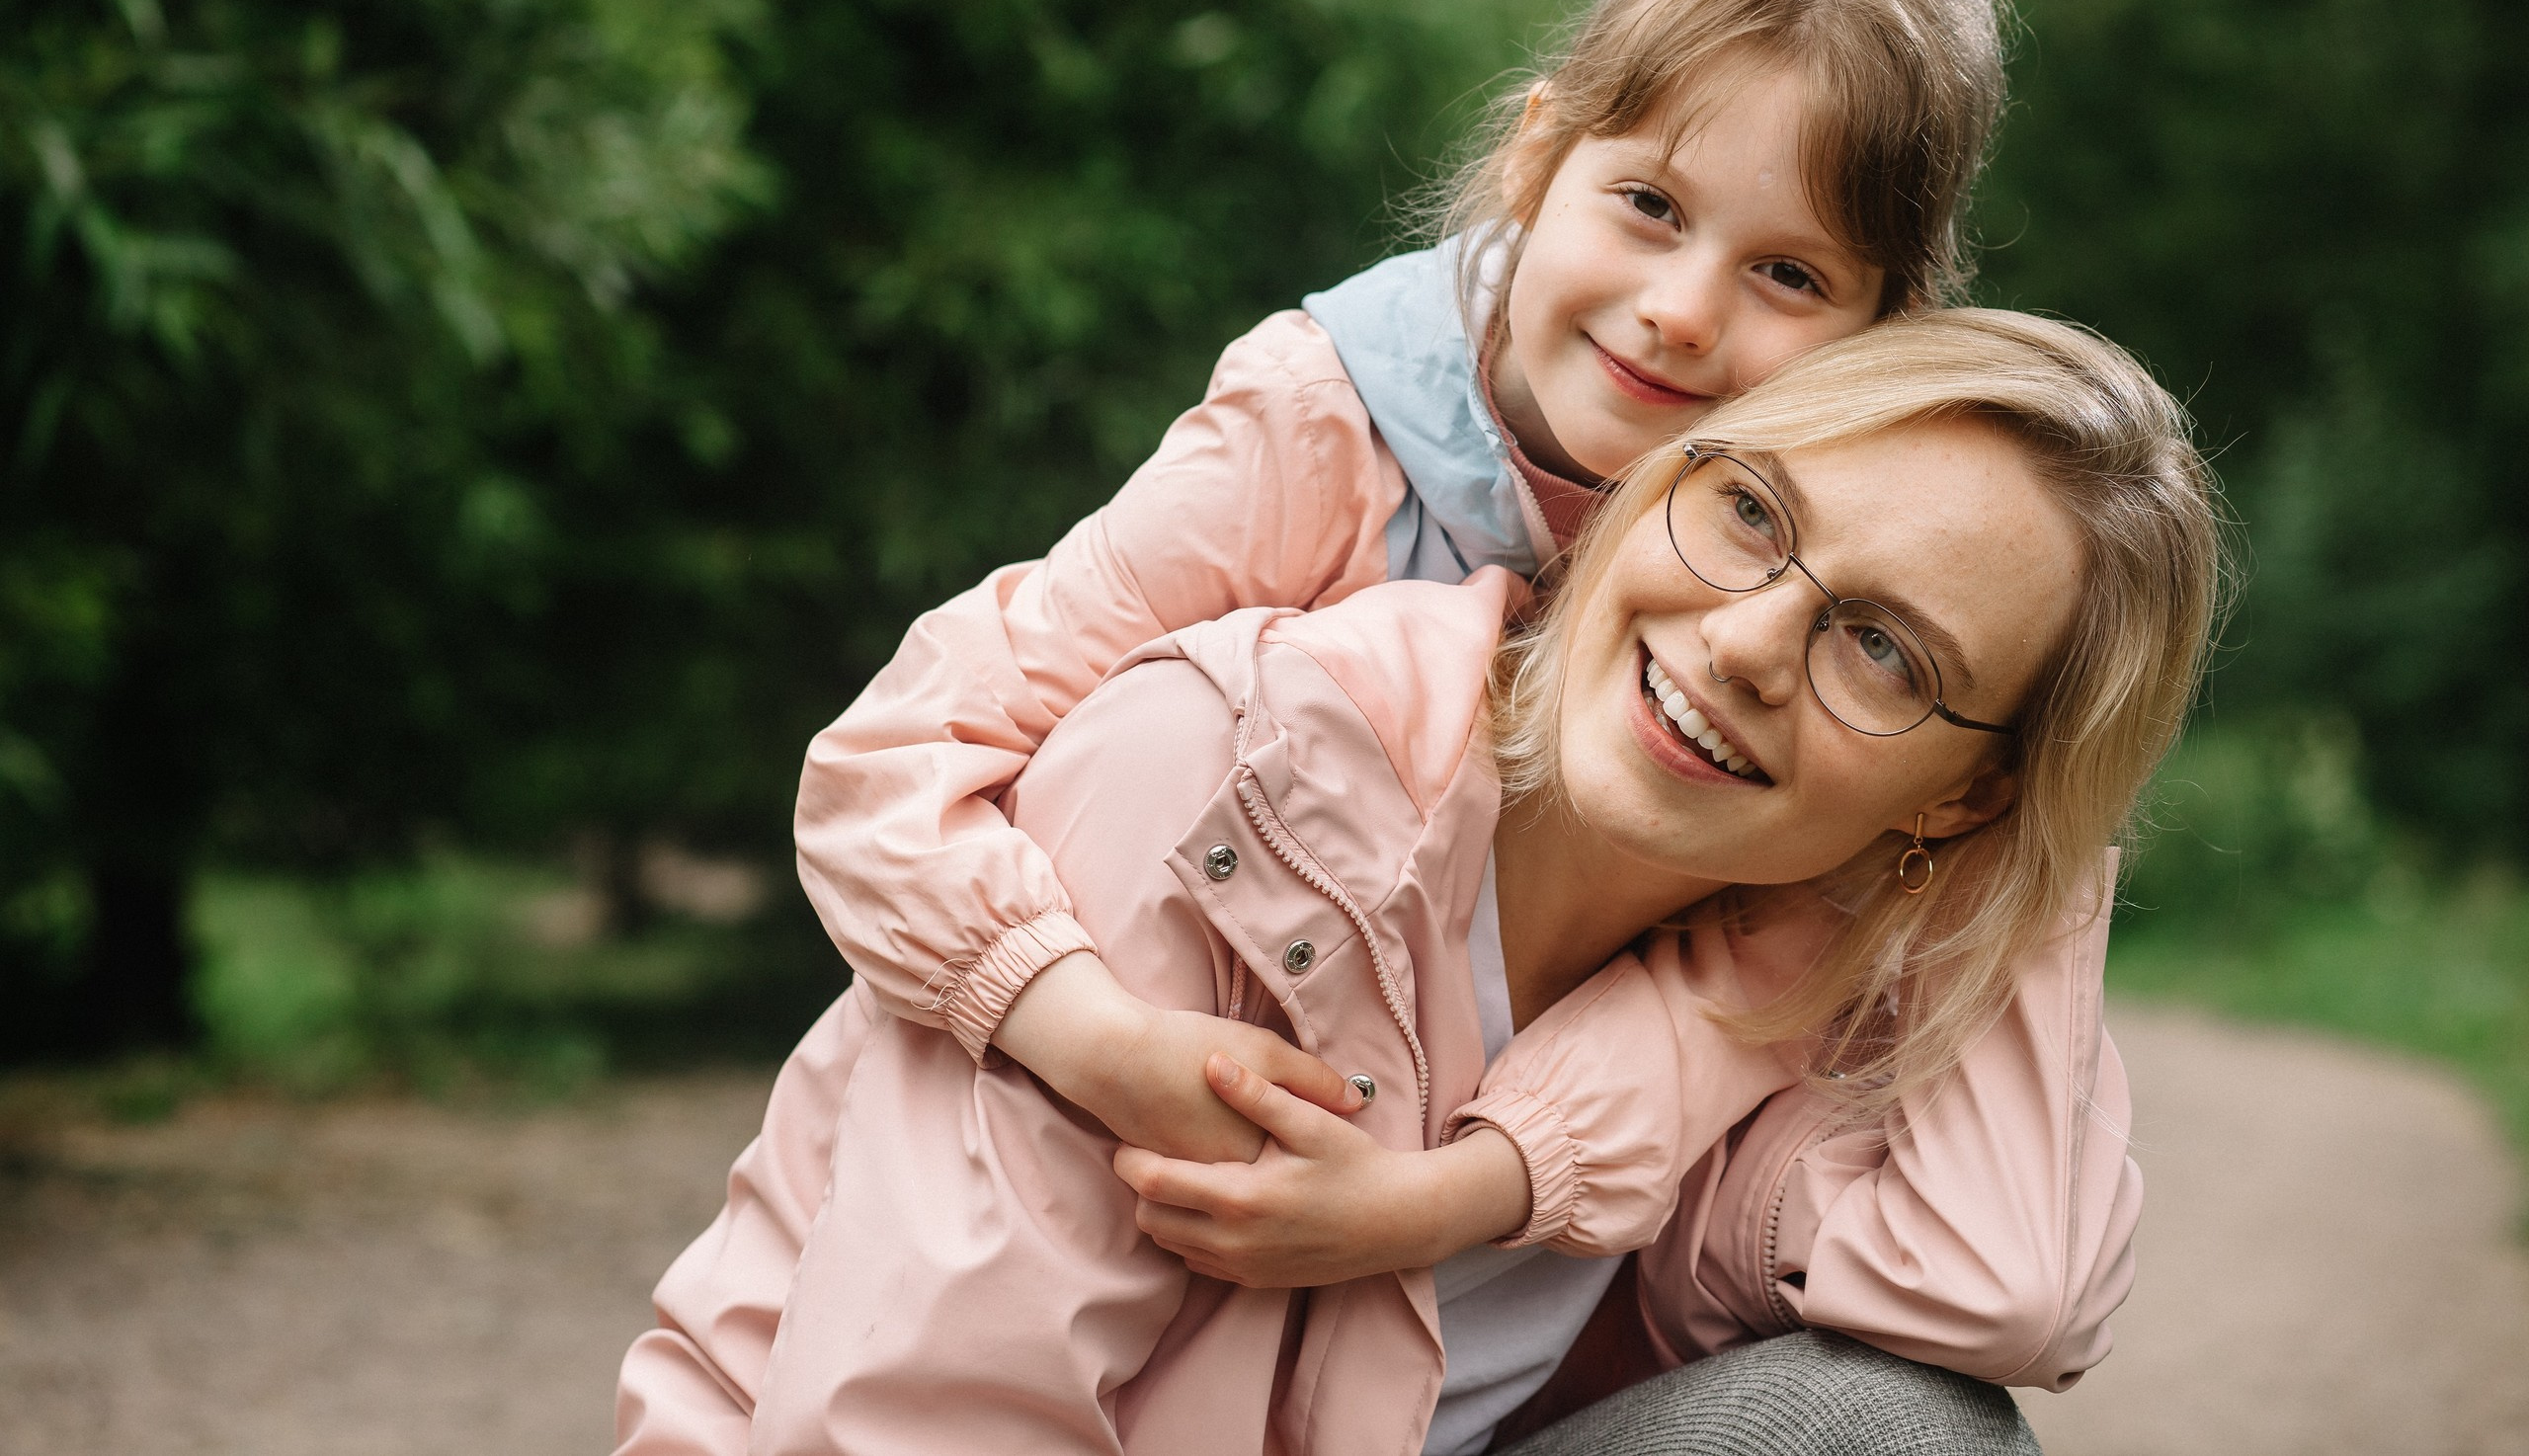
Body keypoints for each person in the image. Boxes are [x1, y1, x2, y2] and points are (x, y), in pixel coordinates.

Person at [617, 0, 2045, 1451]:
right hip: (1057, 1177)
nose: (1683, 315)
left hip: (1382, 1334)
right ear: (1537, 156)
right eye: (1649, 207)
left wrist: (2034, 752)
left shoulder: (1779, 635)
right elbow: (893, 760)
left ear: (1880, 339)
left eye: (1788, 275)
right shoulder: (1321, 439)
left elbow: (1756, 1011)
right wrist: (1095, 1035)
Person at [617, 310, 2224, 1454]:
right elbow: (913, 1418)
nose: (1744, 644)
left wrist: (2039, 839)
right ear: (1662, 473)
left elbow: (1999, 1286)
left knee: (1900, 1434)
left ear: (1967, 791)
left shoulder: (1755, 1020)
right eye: (1751, 510)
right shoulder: (1234, 779)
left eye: (1881, 647)